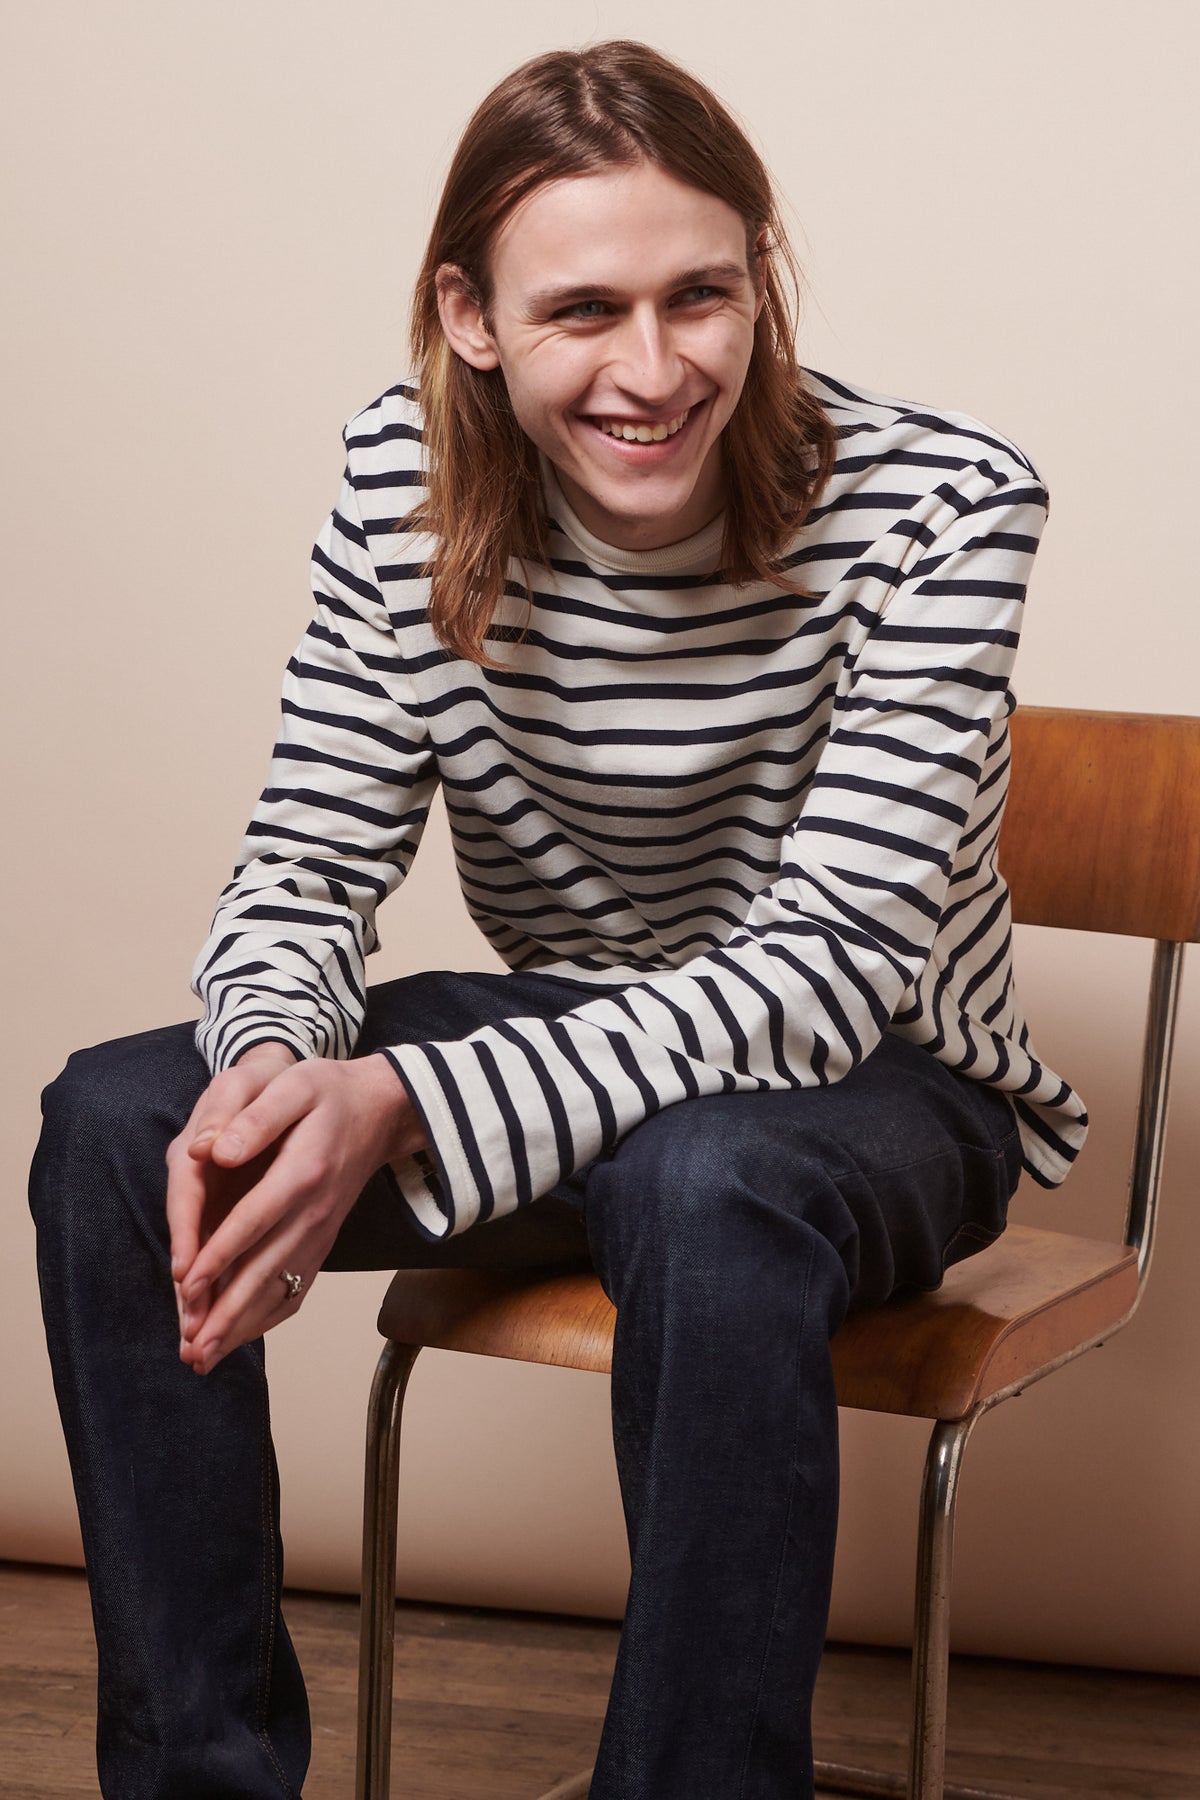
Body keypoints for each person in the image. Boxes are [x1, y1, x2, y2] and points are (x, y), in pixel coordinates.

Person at [30, 39, 1087, 1800]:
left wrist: (411, 1105)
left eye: (704, 296)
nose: (655, 368)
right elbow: (303, 865)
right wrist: (288, 1064)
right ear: (471, 316)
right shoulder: (404, 484)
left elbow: (823, 978)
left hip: (882, 1083)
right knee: (121, 1125)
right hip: (587, 1061)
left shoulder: (946, 501)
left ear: (762, 283)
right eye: (585, 309)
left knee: (710, 1173)